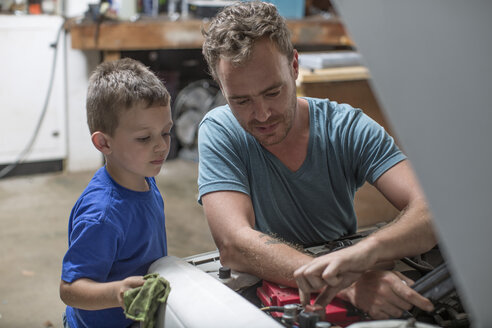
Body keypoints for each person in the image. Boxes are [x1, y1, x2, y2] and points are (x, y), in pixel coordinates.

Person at [198, 1, 436, 320]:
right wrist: (345, 283)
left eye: (273, 92)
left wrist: (367, 252)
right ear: (223, 89)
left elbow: (433, 211)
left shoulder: (346, 128)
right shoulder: (220, 131)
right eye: (241, 101)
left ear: (294, 67)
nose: (262, 114)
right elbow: (233, 243)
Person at [59, 58, 173, 328]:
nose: (161, 146)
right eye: (145, 138)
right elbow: (70, 289)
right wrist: (117, 292)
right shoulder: (103, 215)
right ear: (103, 143)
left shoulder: (144, 177)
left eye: (166, 132)